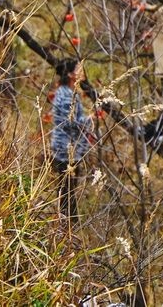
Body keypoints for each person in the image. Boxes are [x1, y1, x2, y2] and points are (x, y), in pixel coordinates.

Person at [49, 57, 95, 226]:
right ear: (69, 74)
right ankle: (70, 227)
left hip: (65, 147)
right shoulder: (67, 95)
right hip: (66, 150)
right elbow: (69, 122)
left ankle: (67, 225)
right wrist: (89, 119)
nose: (81, 71)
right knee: (68, 191)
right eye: (78, 69)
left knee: (66, 190)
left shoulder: (65, 92)